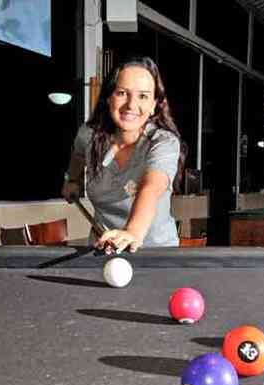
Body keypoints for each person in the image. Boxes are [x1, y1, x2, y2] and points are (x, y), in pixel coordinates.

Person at [62, 56, 185, 253]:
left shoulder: (164, 142)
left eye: (143, 96)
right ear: (109, 98)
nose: (131, 104)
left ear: (154, 104)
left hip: (156, 253)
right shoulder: (89, 135)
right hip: (103, 248)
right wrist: (73, 179)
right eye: (122, 93)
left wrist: (132, 232)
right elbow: (78, 155)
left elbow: (151, 187)